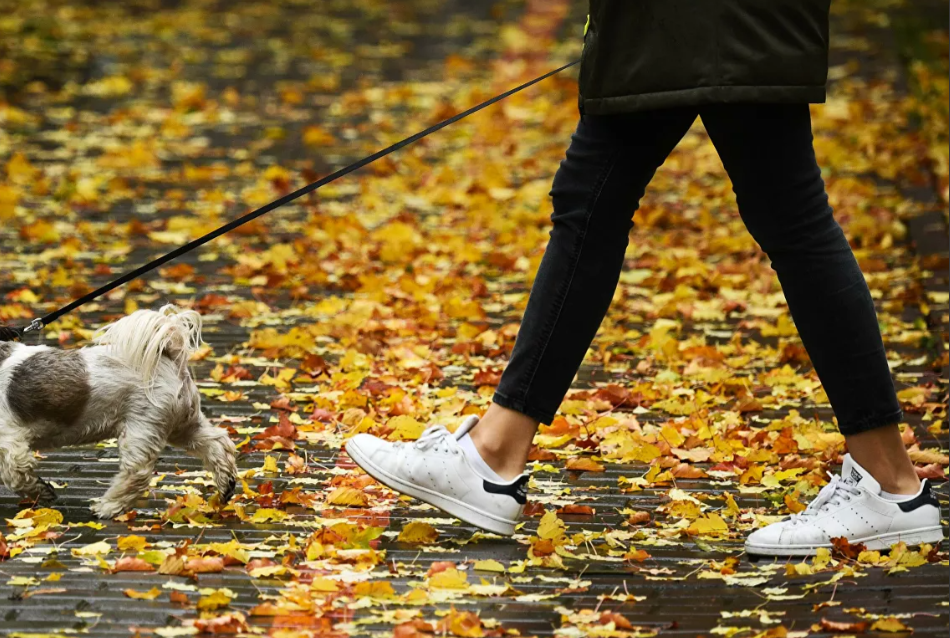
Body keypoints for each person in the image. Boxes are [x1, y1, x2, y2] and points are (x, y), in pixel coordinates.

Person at [344, 0, 944, 554]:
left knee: (773, 216)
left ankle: (891, 484)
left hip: (701, 17)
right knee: (610, 203)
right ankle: (493, 454)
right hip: (706, 19)